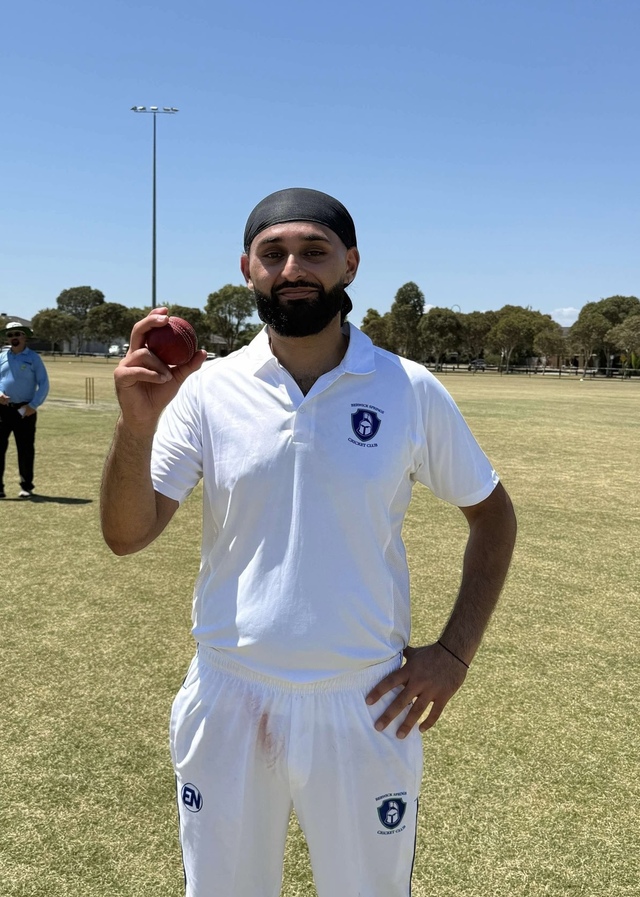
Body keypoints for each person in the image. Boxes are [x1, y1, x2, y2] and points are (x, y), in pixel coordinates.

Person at [101, 187, 517, 897]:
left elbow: (493, 515)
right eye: (274, 254)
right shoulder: (208, 391)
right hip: (229, 696)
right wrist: (137, 427)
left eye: (314, 251)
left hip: (365, 701)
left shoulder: (407, 388)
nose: (293, 268)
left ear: (350, 263)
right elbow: (126, 534)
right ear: (248, 270)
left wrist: (453, 654)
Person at [0, 322, 50, 499]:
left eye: (17, 334)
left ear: (24, 337)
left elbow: (44, 384)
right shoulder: (1, 356)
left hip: (25, 410)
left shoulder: (33, 358)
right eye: (10, 334)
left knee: (25, 450)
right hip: (2, 410)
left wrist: (33, 406)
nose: (14, 337)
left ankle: (26, 487)